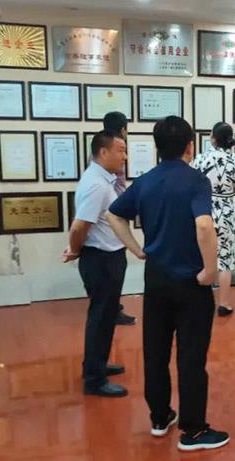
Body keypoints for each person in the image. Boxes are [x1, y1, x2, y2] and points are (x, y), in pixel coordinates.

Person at [107, 116, 230, 452]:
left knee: (156, 352)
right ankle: (193, 431)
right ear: (190, 146)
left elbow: (114, 214)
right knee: (191, 356)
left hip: (157, 280)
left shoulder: (145, 181)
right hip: (191, 283)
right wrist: (210, 271)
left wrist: (137, 249)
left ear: (157, 147)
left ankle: (160, 418)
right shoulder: (196, 181)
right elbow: (204, 226)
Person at [62, 130, 129, 398]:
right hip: (101, 260)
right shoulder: (97, 185)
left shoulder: (100, 179)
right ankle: (94, 379)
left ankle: (97, 365)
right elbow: (79, 226)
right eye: (120, 150)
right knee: (100, 318)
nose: (125, 157)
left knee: (105, 316)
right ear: (103, 152)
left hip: (107, 257)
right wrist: (75, 250)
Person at [192, 122, 235, 317]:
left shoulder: (200, 159)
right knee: (225, 259)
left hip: (204, 210)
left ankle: (199, 302)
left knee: (202, 256)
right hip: (227, 212)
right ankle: (223, 304)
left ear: (213, 138)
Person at [102, 111, 137, 327]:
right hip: (112, 216)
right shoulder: (114, 151)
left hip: (109, 214)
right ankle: (111, 309)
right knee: (115, 265)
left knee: (115, 264)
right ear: (123, 130)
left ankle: (112, 306)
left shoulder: (102, 148)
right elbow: (116, 187)